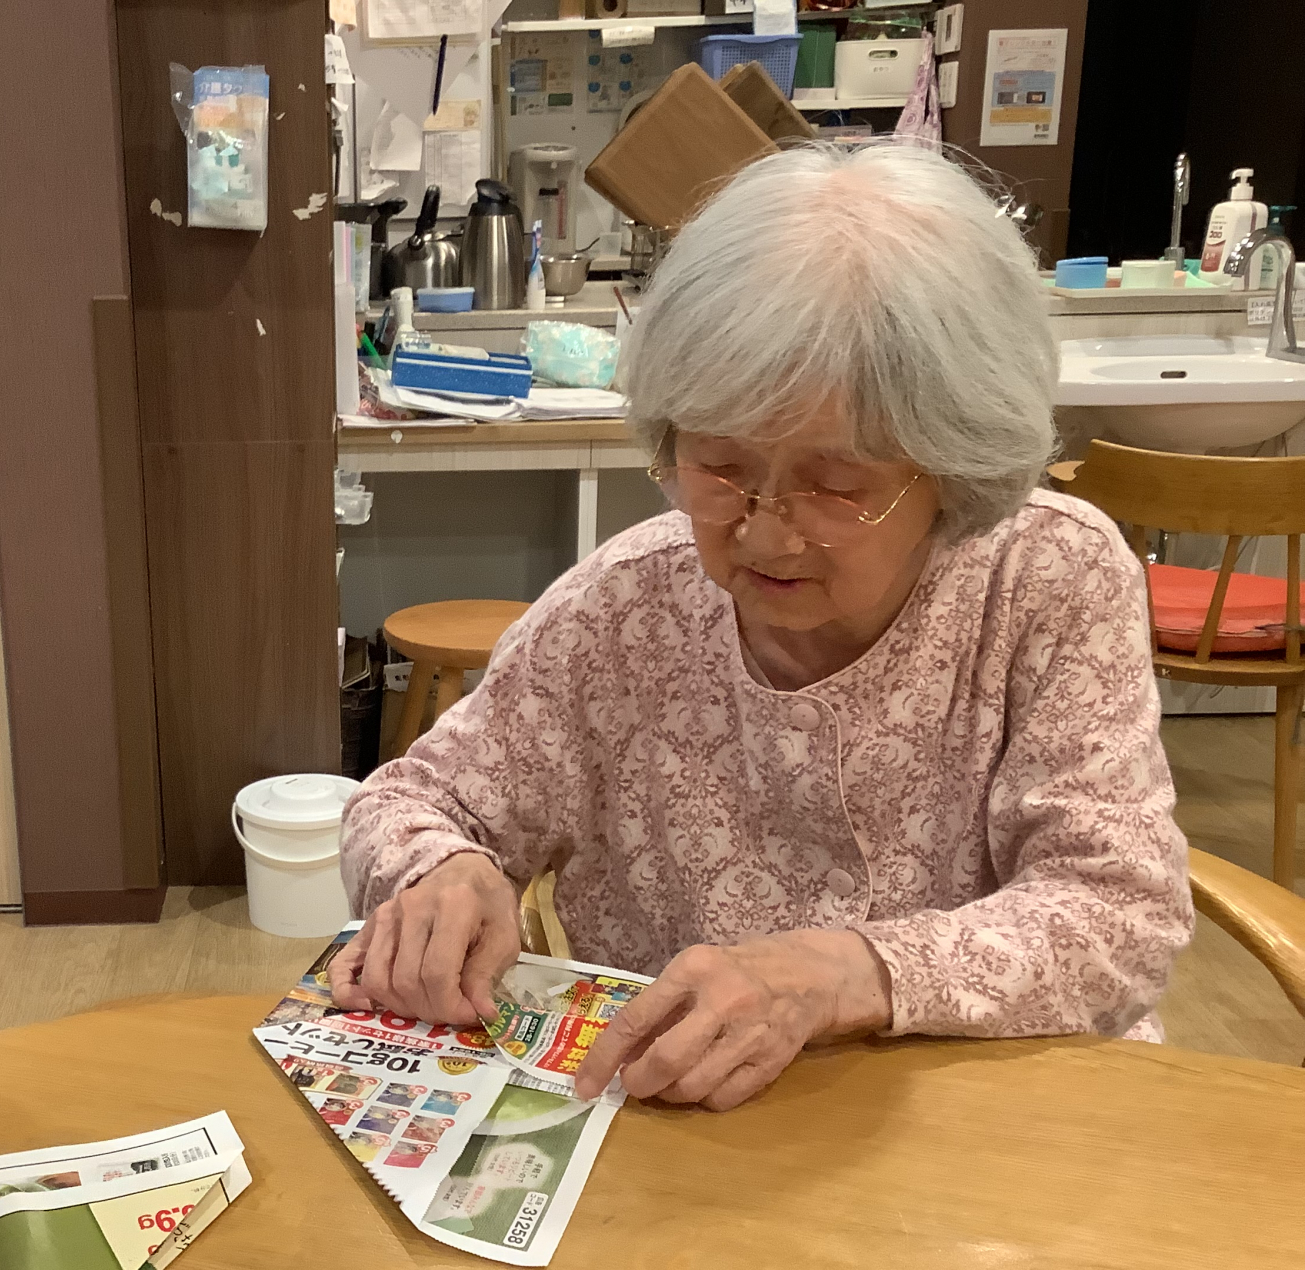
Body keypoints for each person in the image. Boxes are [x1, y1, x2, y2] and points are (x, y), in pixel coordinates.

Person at [332, 143, 1193, 1114]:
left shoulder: (1046, 579)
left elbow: (1120, 913)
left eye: (835, 484)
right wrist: (443, 869)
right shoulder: (628, 608)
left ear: (955, 468)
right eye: (721, 467)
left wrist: (853, 973)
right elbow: (410, 799)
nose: (766, 532)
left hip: (987, 1121)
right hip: (697, 1132)